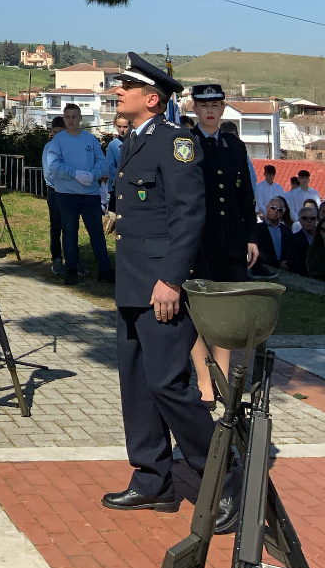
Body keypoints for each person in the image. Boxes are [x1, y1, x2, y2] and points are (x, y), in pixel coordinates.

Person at [103, 52, 239, 530]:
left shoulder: (175, 142)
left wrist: (171, 281)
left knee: (169, 384)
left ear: (152, 98)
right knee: (137, 381)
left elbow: (189, 215)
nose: (117, 91)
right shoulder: (135, 141)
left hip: (161, 284)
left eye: (125, 86)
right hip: (133, 282)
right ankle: (152, 479)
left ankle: (224, 479)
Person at [188, 82, 259, 405]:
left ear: (223, 108)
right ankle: (205, 379)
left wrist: (251, 237)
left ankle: (223, 377)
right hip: (199, 240)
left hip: (231, 239)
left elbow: (245, 196)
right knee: (198, 312)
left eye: (216, 105)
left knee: (227, 314)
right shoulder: (186, 145)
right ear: (194, 108)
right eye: (204, 106)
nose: (211, 111)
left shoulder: (235, 146)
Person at [43, 103, 114, 286]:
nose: (71, 120)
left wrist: (93, 175)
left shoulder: (90, 140)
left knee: (96, 231)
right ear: (64, 118)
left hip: (90, 193)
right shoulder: (57, 141)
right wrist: (74, 174)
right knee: (69, 231)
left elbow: (101, 162)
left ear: (81, 118)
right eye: (67, 117)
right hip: (66, 193)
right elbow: (54, 166)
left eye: (74, 117)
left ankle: (105, 269)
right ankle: (71, 269)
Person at [43, 115, 67, 276]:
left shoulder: (70, 146)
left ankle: (73, 258)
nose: (57, 135)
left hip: (70, 191)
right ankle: (56, 258)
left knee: (70, 226)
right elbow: (49, 172)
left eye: (60, 131)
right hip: (54, 190)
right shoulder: (49, 147)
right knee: (56, 226)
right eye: (55, 132)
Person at [251, 197, 295, 274]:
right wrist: (277, 264)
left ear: (282, 212)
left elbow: (290, 250)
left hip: (284, 271)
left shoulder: (287, 230)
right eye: (273, 207)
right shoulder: (257, 229)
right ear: (267, 208)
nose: (276, 211)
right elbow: (258, 251)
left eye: (279, 209)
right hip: (264, 269)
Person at [105, 116, 131, 208]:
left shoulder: (136, 142)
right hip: (117, 188)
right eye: (119, 127)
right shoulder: (113, 145)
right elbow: (110, 169)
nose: (122, 130)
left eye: (125, 127)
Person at [287, 203, 319, 276]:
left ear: (316, 219)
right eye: (305, 218)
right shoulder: (293, 240)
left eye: (312, 218)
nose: (309, 221)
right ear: (300, 220)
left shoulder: (322, 236)